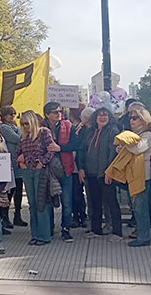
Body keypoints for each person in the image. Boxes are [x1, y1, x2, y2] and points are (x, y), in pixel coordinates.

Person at [80, 107, 123, 241]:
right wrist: (81, 168)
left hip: (105, 173)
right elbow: (82, 150)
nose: (102, 117)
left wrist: (109, 171)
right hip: (91, 173)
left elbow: (113, 153)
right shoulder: (90, 131)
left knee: (111, 202)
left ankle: (117, 232)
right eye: (100, 115)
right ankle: (96, 229)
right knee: (95, 202)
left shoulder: (113, 131)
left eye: (105, 115)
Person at [117, 106, 151, 247]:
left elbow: (137, 149)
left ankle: (145, 236)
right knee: (136, 207)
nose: (132, 120)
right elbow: (124, 149)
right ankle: (142, 233)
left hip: (142, 175)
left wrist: (125, 144)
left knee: (141, 207)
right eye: (130, 118)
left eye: (135, 118)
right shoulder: (133, 134)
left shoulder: (147, 135)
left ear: (144, 119)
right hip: (132, 174)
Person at [16, 111, 57, 245]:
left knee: (41, 203)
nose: (25, 126)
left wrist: (42, 162)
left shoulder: (43, 132)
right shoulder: (23, 137)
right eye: (23, 124)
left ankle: (44, 235)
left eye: (27, 123)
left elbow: (51, 149)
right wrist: (19, 161)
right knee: (32, 204)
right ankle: (35, 234)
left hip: (40, 171)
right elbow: (17, 152)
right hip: (27, 171)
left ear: (33, 121)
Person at [44, 102, 79, 243]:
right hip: (47, 169)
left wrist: (61, 148)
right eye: (55, 112)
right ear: (47, 114)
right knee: (48, 200)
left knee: (67, 201)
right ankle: (50, 228)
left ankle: (66, 229)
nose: (59, 114)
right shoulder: (41, 127)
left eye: (60, 111)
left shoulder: (68, 125)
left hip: (66, 168)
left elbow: (76, 145)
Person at [0, 106, 26, 227]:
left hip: (18, 165)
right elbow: (17, 138)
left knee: (19, 192)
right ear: (4, 116)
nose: (13, 116)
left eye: (14, 114)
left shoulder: (15, 127)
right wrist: (21, 134)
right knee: (9, 192)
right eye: (10, 114)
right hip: (10, 164)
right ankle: (4, 217)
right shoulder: (4, 127)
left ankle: (18, 215)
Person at [72, 107, 95, 228]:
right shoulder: (80, 130)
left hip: (89, 167)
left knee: (90, 195)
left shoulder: (92, 131)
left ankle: (87, 218)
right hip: (79, 166)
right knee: (79, 192)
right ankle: (81, 217)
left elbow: (82, 149)